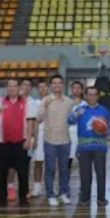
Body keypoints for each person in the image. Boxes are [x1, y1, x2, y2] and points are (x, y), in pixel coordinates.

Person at [0, 79, 35, 207]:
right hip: (3, 143)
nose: (12, 88)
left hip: (20, 143)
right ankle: (2, 199)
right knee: (2, 173)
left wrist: (29, 139)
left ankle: (23, 198)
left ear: (18, 88)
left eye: (14, 86)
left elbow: (30, 121)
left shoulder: (26, 102)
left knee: (23, 173)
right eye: (9, 86)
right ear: (6, 88)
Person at [69, 86, 110, 206]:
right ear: (86, 96)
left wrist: (103, 130)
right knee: (85, 174)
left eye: (95, 94)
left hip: (100, 147)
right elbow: (70, 121)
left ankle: (101, 198)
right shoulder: (80, 109)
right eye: (90, 94)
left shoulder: (104, 110)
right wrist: (76, 114)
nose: (92, 97)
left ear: (98, 96)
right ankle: (85, 198)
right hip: (84, 147)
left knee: (101, 173)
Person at [37, 74, 74, 207]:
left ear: (63, 85)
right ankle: (51, 195)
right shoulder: (46, 100)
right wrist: (45, 105)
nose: (57, 85)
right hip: (50, 140)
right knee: (50, 169)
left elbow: (71, 119)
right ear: (51, 86)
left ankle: (63, 193)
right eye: (54, 83)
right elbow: (39, 118)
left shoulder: (69, 102)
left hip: (65, 140)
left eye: (59, 83)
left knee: (64, 169)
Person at [31, 80, 49, 198]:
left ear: (48, 88)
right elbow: (33, 121)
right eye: (40, 87)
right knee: (38, 162)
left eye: (44, 87)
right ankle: (37, 188)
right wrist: (35, 138)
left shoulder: (54, 102)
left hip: (52, 135)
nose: (42, 89)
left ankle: (50, 188)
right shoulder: (34, 103)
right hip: (39, 135)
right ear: (37, 89)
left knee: (51, 164)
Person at [68, 81, 86, 171]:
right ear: (71, 90)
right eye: (74, 88)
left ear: (82, 90)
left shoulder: (85, 104)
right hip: (68, 135)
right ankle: (66, 179)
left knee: (83, 161)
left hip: (81, 135)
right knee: (67, 161)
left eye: (79, 88)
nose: (76, 90)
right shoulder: (66, 103)